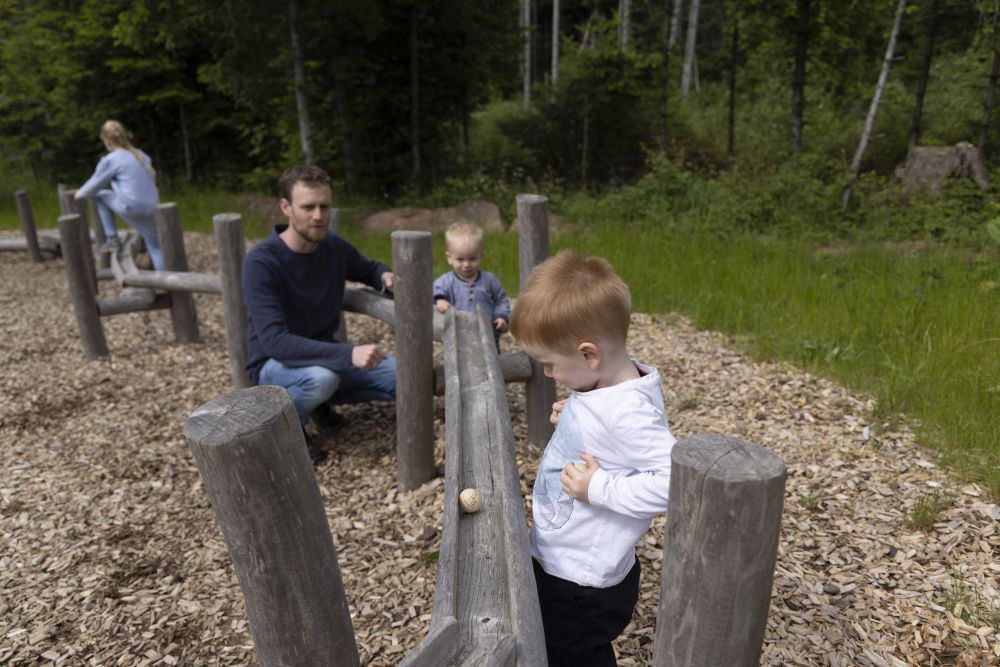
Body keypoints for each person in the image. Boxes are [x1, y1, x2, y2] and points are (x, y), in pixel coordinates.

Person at [508, 250, 676, 666]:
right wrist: (577, 416)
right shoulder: (604, 389)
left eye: (549, 364)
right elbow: (609, 434)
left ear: (589, 355)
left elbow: (675, 481)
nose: (548, 374)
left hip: (581, 581)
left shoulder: (626, 412)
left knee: (572, 655)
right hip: (564, 561)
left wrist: (598, 488)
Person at [241, 164, 396, 464]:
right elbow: (275, 342)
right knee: (320, 379)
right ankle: (286, 425)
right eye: (308, 207)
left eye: (324, 206)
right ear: (286, 207)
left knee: (402, 379)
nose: (318, 216)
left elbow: (369, 268)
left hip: (322, 354)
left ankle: (317, 403)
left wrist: (384, 276)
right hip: (274, 364)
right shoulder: (261, 262)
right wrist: (349, 354)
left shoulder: (332, 246)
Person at [75, 120, 163, 270]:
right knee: (155, 244)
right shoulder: (141, 155)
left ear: (107, 141)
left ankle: (112, 238)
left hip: (133, 206)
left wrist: (79, 193)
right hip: (153, 207)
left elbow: (94, 184)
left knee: (99, 196)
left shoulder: (111, 160)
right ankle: (164, 277)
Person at [432, 222, 510, 352]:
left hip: (487, 335)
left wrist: (501, 316)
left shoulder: (489, 280)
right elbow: (434, 291)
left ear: (481, 256)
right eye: (460, 259)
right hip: (458, 337)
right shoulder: (446, 281)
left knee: (490, 360)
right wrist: (440, 300)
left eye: (472, 259)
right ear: (449, 258)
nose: (466, 264)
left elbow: (501, 300)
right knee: (458, 360)